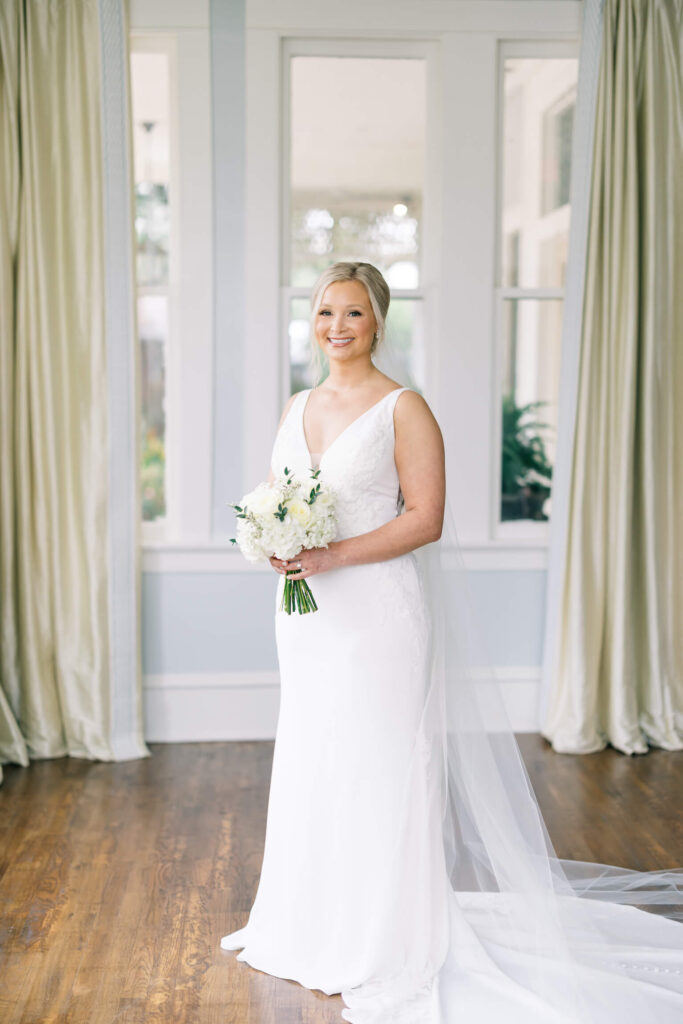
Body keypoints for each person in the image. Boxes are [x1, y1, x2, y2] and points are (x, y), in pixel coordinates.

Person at [221, 262, 683, 1023]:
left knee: (379, 763)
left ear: (379, 321)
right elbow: (279, 494)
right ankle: (309, 920)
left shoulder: (403, 407)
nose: (337, 327)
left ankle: (385, 938)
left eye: (355, 314)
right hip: (305, 617)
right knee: (315, 755)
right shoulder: (297, 403)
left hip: (376, 614)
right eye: (326, 312)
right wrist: (275, 544)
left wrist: (330, 555)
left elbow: (424, 518)